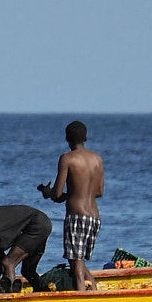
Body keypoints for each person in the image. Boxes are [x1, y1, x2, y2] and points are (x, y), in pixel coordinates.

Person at [38, 120, 106, 290]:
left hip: (77, 216)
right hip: (94, 218)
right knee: (79, 262)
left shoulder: (67, 159)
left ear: (67, 138)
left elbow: (58, 194)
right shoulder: (97, 159)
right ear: (86, 137)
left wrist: (48, 193)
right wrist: (77, 193)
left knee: (76, 267)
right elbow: (99, 192)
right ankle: (94, 292)